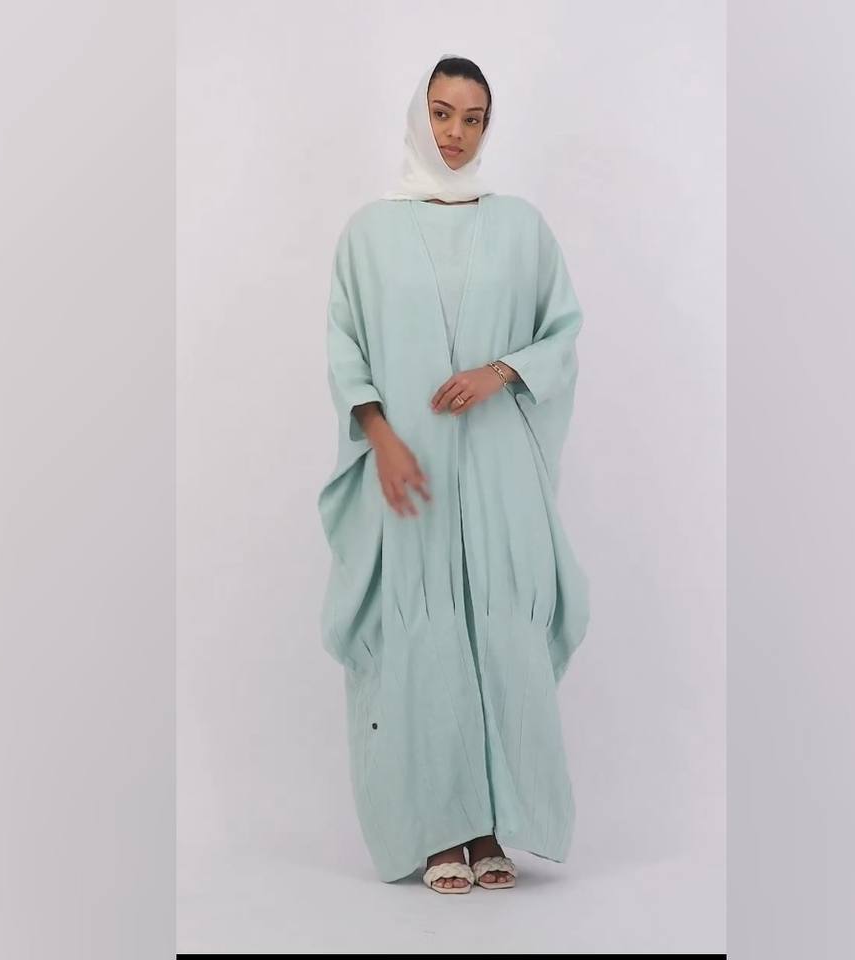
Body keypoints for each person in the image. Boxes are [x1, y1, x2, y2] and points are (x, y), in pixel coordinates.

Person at [317, 53, 590, 894]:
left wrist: (500, 371)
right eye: (442, 113)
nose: (456, 133)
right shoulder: (369, 233)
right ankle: (439, 832)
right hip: (414, 471)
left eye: (473, 118)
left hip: (499, 470)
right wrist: (382, 437)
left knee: (497, 629)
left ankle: (490, 827)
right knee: (425, 635)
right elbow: (345, 347)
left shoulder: (521, 228)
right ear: (418, 115)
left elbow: (561, 330)